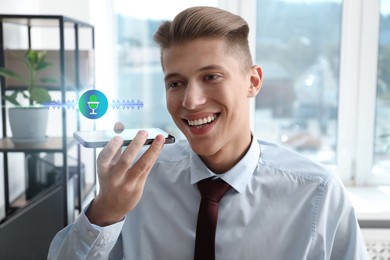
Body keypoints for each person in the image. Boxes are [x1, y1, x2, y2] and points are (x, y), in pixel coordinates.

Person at [48, 6, 369, 260]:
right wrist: (105, 213)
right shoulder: (134, 183)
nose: (190, 101)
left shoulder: (316, 195)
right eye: (175, 83)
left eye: (211, 76)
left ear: (253, 82)